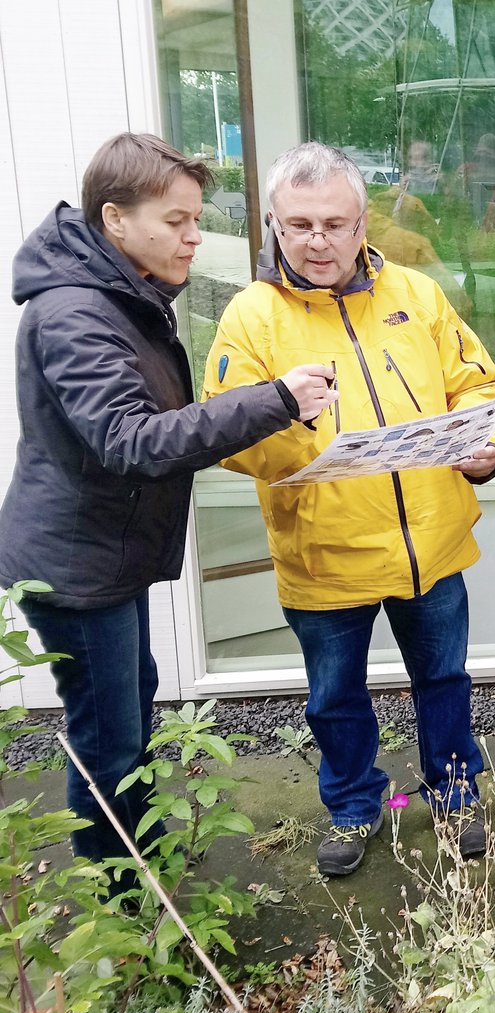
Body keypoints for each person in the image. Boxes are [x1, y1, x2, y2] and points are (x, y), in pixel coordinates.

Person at [0, 132, 334, 867]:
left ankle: (139, 860)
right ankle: (118, 897)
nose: (194, 237)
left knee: (130, 705)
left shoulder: (119, 293)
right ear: (115, 219)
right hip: (77, 567)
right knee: (109, 739)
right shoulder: (75, 314)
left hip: (104, 555)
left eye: (196, 219)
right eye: (176, 220)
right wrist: (275, 399)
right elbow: (133, 440)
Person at [203, 142, 495, 877]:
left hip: (428, 542)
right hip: (325, 551)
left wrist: (487, 448)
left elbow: (477, 382)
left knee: (445, 681)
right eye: (299, 225)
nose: (318, 242)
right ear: (274, 225)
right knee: (335, 696)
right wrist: (289, 414)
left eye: (335, 224)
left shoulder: (417, 293)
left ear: (363, 222)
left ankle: (454, 792)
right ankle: (352, 804)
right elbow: (225, 435)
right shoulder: (251, 317)